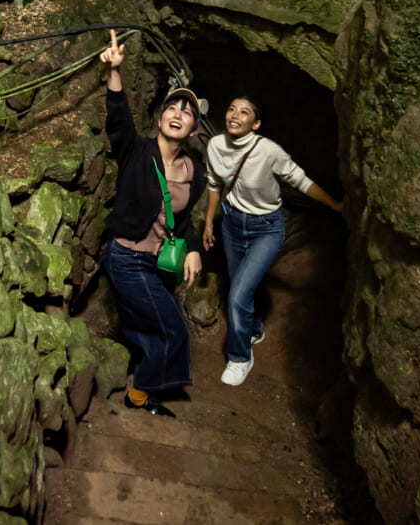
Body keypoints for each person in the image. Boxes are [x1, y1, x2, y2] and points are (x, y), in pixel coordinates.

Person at [98, 30, 205, 417]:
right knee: (173, 328)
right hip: (126, 258)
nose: (178, 114)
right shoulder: (137, 151)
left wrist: (192, 248)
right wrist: (115, 71)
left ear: (193, 130)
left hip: (156, 263)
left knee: (151, 329)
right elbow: (118, 119)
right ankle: (141, 392)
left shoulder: (194, 171)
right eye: (172, 108)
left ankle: (144, 388)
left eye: (187, 112)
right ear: (160, 118)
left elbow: (183, 220)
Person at [201, 95, 343, 386]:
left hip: (266, 228)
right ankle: (253, 327)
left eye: (244, 112)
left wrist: (336, 206)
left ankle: (240, 357)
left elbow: (301, 181)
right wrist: (208, 222)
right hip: (231, 224)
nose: (235, 115)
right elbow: (215, 184)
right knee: (240, 281)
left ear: (256, 124)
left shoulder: (269, 151)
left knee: (238, 294)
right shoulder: (215, 146)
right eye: (231, 109)